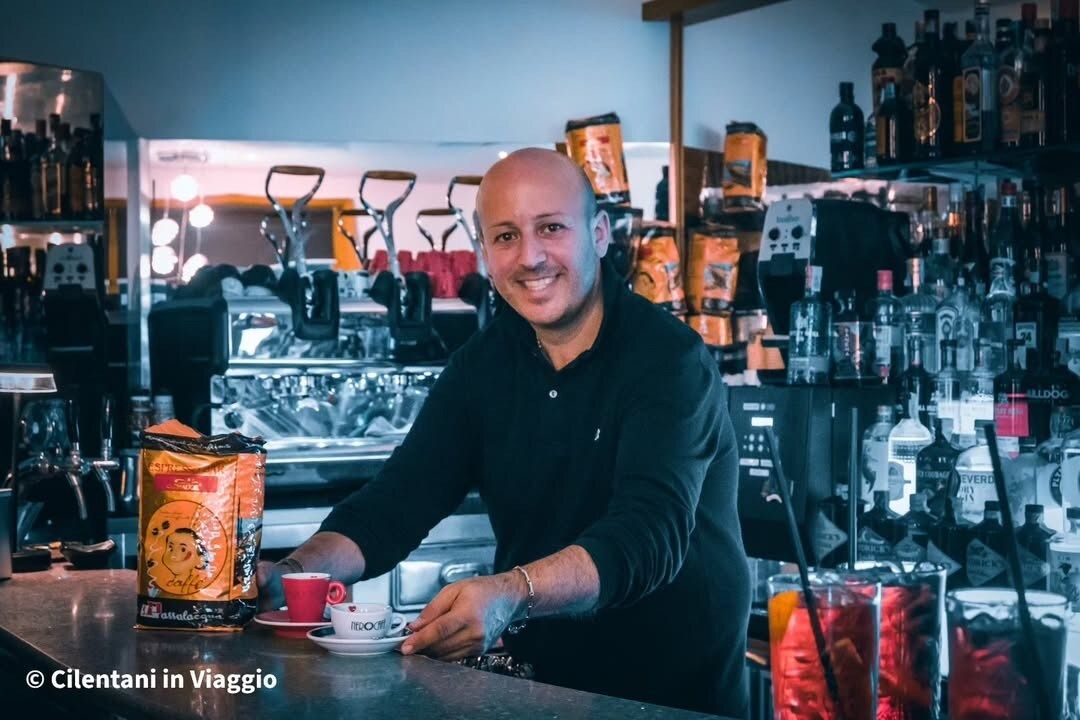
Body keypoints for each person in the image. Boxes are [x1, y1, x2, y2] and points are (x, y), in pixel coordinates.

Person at [257, 148, 750, 716]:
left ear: (598, 233)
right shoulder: (483, 365)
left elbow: (647, 535)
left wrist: (512, 593)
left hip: (669, 692)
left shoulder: (668, 360)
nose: (531, 257)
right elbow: (396, 502)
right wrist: (294, 573)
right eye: (506, 236)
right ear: (485, 252)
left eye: (551, 228)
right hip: (544, 689)